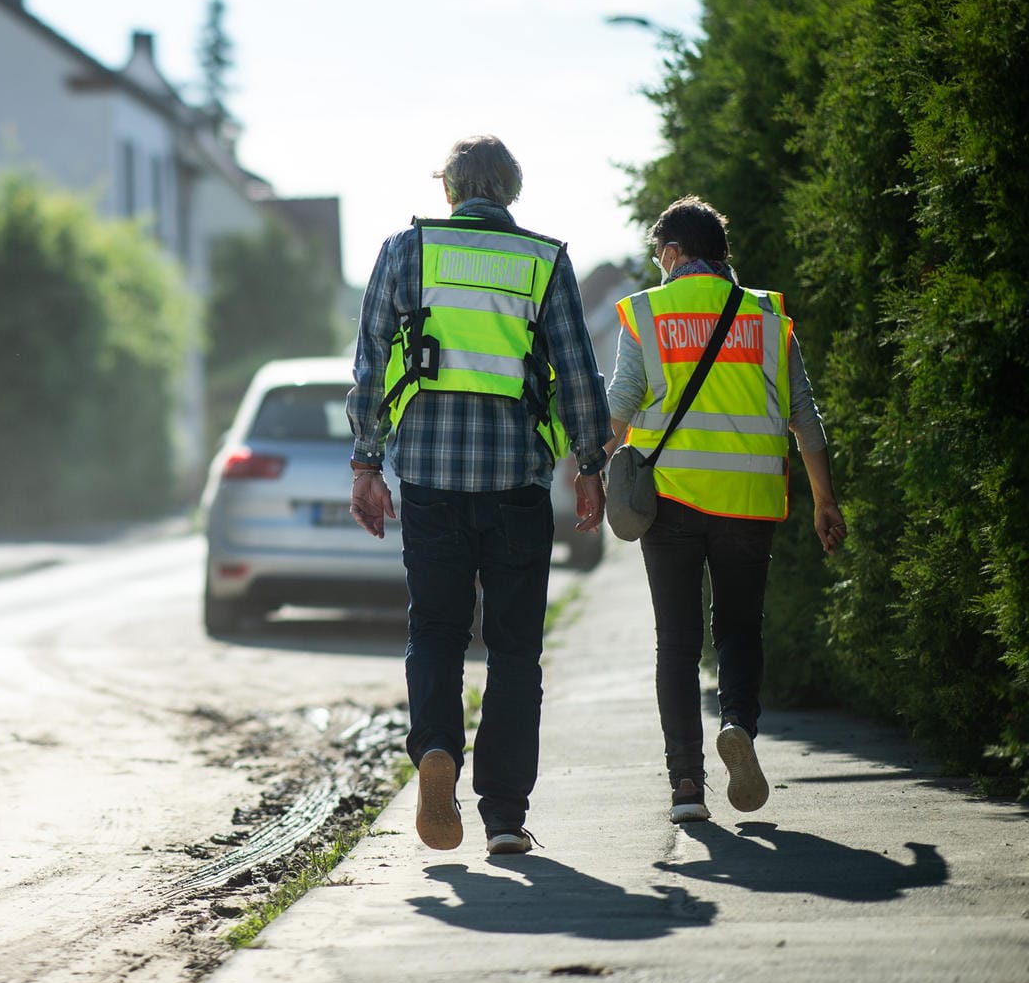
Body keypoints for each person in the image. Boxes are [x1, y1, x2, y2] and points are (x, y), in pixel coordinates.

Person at [347, 135, 610, 856]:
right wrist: (591, 466)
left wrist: (367, 464)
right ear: (511, 192)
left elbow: (370, 365)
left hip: (430, 480)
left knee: (435, 629)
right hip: (516, 485)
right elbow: (579, 375)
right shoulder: (542, 259)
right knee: (516, 651)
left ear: (452, 191)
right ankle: (503, 816)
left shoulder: (407, 251)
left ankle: (436, 747)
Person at [609, 195, 846, 825]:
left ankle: (687, 785)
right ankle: (737, 724)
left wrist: (589, 472)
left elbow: (620, 409)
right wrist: (825, 500)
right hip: (748, 503)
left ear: (673, 254)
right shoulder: (768, 318)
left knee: (677, 644)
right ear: (721, 256)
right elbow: (806, 419)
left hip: (670, 505)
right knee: (740, 630)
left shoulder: (648, 315)